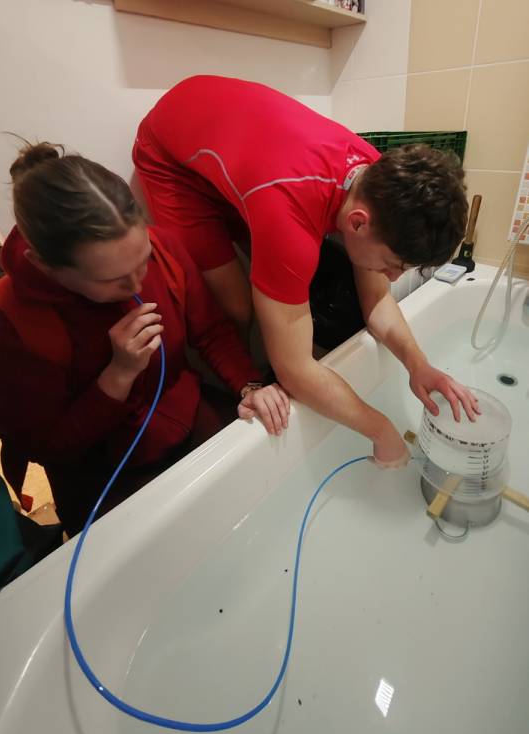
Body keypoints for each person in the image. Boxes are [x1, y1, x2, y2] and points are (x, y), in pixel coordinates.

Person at [132, 75, 480, 469]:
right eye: (392, 264)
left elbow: (377, 301)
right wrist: (382, 431)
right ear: (358, 222)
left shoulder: (378, 181)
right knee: (236, 306)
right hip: (170, 159)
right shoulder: (289, 215)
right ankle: (238, 401)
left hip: (241, 150)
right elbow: (295, 370)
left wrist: (418, 365)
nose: (394, 277)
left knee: (278, 280)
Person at [0, 142, 289, 536]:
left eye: (143, 260)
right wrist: (117, 376)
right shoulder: (13, 319)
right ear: (44, 266)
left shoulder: (162, 247)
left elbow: (211, 331)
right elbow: (48, 447)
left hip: (186, 419)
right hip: (101, 472)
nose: (137, 284)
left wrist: (249, 385)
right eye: (113, 280)